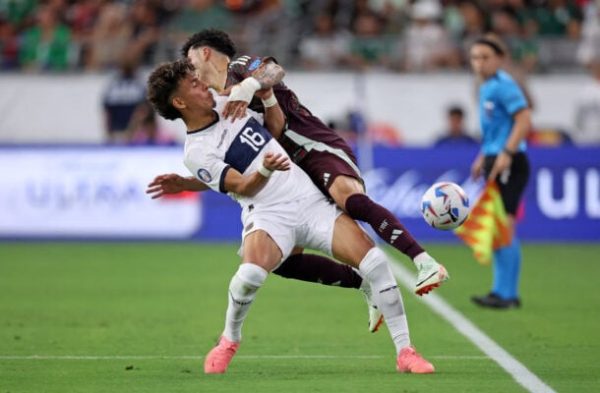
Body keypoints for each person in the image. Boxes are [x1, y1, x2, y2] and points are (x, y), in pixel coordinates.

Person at [146, 59, 436, 375]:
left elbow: (274, 126)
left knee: (376, 263)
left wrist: (264, 95)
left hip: (310, 202)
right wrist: (267, 169)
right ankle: (229, 340)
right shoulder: (197, 151)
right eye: (193, 84)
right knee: (250, 277)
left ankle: (406, 352)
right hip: (269, 214)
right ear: (179, 102)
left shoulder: (230, 101)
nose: (202, 84)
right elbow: (242, 184)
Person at [178, 29, 448, 297]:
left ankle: (424, 262)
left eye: (191, 63)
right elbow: (233, 169)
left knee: (348, 198)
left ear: (205, 52)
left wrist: (249, 86)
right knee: (284, 262)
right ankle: (365, 285)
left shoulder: (240, 67)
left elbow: (274, 71)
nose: (191, 71)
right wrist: (189, 182)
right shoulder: (215, 103)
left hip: (314, 146)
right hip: (290, 171)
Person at [469, 36, 532, 309]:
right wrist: (483, 155)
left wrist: (506, 153)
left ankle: (507, 294)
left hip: (510, 160)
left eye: (485, 57)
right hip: (495, 158)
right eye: (475, 58)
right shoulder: (486, 87)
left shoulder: (505, 85)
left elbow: (524, 119)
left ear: (499, 59)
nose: (479, 63)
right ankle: (501, 291)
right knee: (497, 227)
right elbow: (496, 129)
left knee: (504, 226)